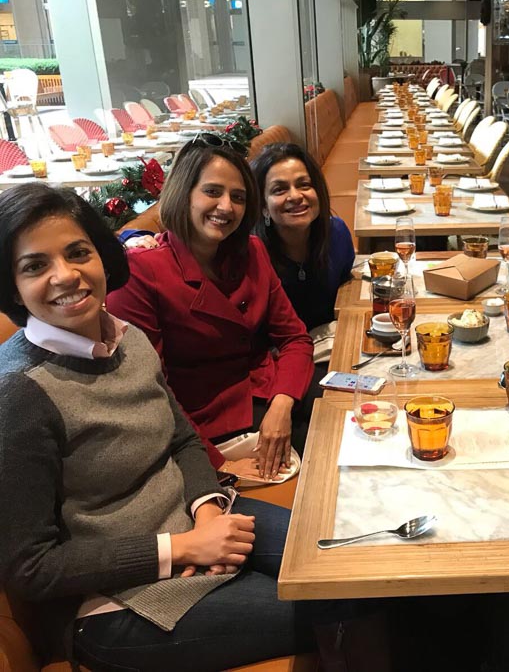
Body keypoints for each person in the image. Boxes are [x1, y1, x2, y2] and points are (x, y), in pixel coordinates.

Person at [0, 183, 386, 672]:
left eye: (79, 253)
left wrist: (206, 512)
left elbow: (181, 438)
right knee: (342, 601)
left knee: (360, 567)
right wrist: (180, 547)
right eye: (35, 265)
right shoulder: (20, 392)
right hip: (114, 602)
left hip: (197, 522)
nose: (66, 275)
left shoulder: (124, 336)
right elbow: (29, 567)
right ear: (10, 285)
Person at [106, 135, 314, 480]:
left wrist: (283, 401)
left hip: (266, 393)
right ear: (184, 194)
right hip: (204, 428)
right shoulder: (140, 274)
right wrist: (220, 465)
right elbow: (151, 392)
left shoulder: (251, 251)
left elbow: (295, 338)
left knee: (350, 419)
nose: (227, 207)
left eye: (238, 197)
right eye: (212, 192)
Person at [251, 142, 355, 333]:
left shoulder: (337, 234)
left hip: (331, 342)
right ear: (263, 207)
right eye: (279, 189)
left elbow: (346, 290)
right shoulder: (251, 256)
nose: (295, 196)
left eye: (304, 185)